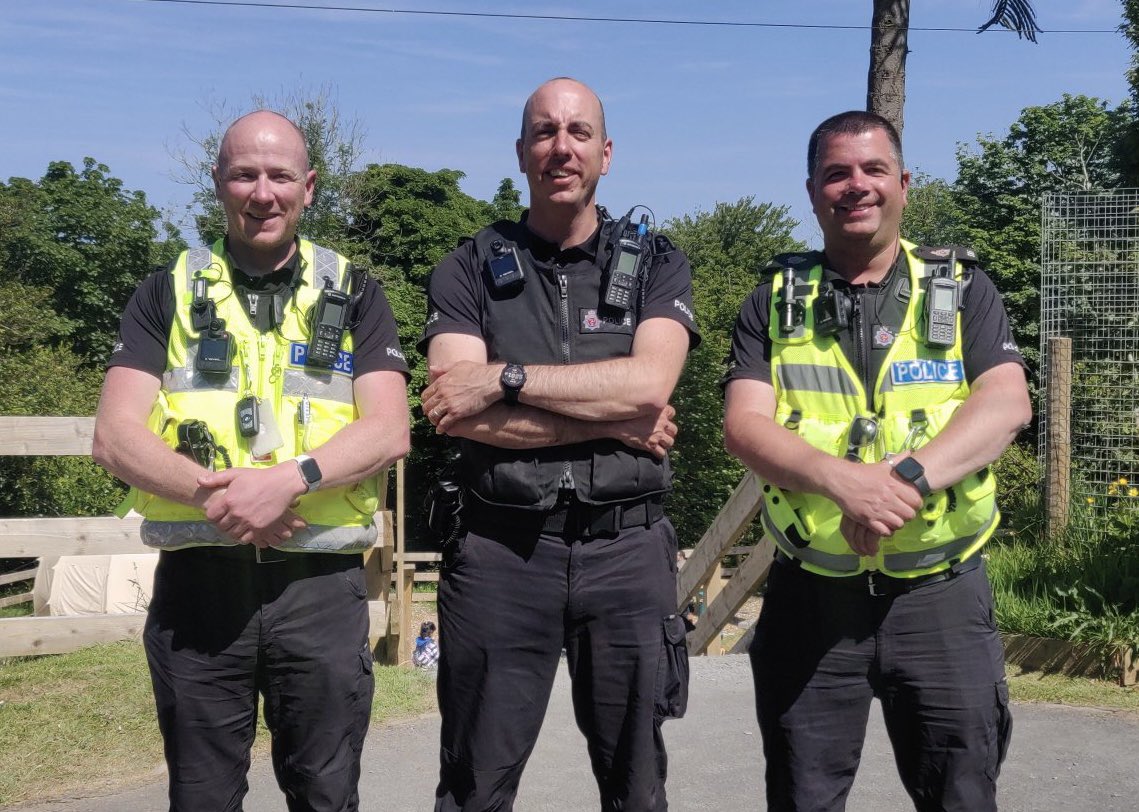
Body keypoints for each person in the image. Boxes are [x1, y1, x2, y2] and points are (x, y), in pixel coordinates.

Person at [92, 110, 411, 812]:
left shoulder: (355, 292)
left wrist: (286, 483)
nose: (262, 192)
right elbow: (115, 436)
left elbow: (389, 429)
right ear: (217, 183)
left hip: (321, 590)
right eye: (244, 174)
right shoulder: (165, 292)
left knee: (326, 796)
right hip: (199, 591)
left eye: (279, 175)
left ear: (309, 186)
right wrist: (225, 501)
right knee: (202, 799)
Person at [722, 110, 1031, 812]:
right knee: (802, 796)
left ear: (903, 184)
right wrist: (845, 486)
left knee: (960, 796)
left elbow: (1005, 402)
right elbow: (743, 426)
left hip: (940, 599)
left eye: (872, 170)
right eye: (836, 173)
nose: (854, 186)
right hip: (811, 599)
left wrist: (902, 481)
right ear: (810, 191)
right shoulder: (771, 301)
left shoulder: (961, 289)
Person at [419, 77, 700, 811]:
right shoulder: (467, 267)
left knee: (637, 786)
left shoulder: (657, 262)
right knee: (474, 784)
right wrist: (609, 419)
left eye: (577, 133)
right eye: (543, 132)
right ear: (520, 152)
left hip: (626, 553)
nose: (560, 147)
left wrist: (503, 378)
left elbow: (648, 386)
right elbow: (454, 407)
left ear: (605, 153)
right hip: (500, 554)